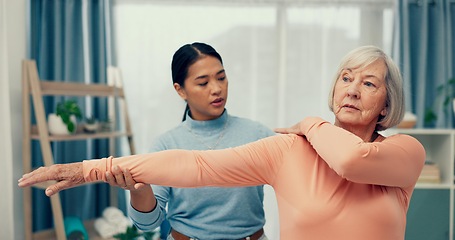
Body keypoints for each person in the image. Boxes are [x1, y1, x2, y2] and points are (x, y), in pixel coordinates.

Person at [19, 45, 426, 240]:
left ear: (386, 101)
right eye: (346, 78)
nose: (353, 90)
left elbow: (353, 161)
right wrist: (91, 168)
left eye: (368, 83)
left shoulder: (405, 152)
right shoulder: (287, 149)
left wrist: (312, 122)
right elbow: (197, 166)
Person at [110, 42, 275, 240]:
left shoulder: (258, 134)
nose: (217, 89)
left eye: (221, 78)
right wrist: (139, 191)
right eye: (203, 83)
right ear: (180, 90)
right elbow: (148, 223)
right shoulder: (166, 145)